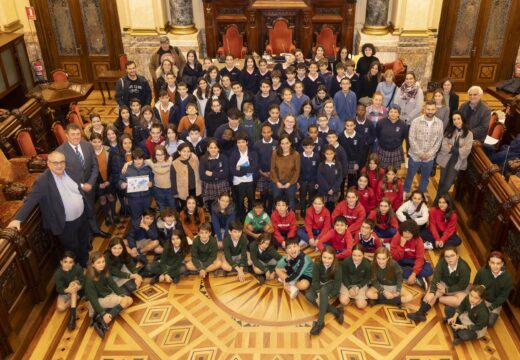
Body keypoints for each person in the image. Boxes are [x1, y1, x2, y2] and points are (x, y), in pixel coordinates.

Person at [8, 151, 91, 267]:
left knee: (83, 241)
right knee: (73, 248)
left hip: (81, 216)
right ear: (48, 164)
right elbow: (31, 199)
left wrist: (82, 186)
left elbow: (76, 185)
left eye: (62, 162)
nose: (59, 165)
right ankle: (78, 269)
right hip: (66, 223)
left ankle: (85, 260)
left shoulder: (70, 171)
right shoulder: (42, 181)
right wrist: (18, 219)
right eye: (55, 163)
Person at [57, 124, 109, 238]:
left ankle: (95, 229)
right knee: (81, 214)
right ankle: (87, 237)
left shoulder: (87, 145)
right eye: (72, 134)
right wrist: (81, 185)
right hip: (74, 190)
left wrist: (90, 183)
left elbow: (95, 166)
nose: (76, 137)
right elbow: (62, 175)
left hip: (90, 187)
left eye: (77, 134)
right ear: (66, 135)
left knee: (91, 209)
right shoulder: (60, 152)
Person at [407, 246, 470, 323]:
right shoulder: (442, 262)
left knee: (462, 301)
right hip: (443, 283)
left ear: (457, 256)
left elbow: (462, 285)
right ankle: (420, 313)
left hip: (458, 288)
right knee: (431, 293)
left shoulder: (464, 268)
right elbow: (436, 278)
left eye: (452, 255)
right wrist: (432, 292)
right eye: (447, 256)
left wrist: (446, 290)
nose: (450, 259)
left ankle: (439, 299)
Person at [85, 251, 133, 338]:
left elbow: (112, 284)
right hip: (98, 300)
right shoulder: (89, 280)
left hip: (107, 295)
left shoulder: (104, 270)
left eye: (103, 261)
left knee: (129, 300)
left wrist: (122, 294)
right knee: (124, 302)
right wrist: (103, 313)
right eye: (98, 262)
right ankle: (103, 319)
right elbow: (93, 300)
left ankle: (102, 317)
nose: (102, 264)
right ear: (92, 264)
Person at [403, 100, 444, 195]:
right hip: (415, 155)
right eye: (428, 109)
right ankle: (406, 191)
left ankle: (421, 194)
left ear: (435, 110)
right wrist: (420, 153)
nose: (430, 111)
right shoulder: (416, 121)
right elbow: (411, 138)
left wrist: (429, 154)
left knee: (425, 177)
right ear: (424, 109)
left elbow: (439, 141)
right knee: (410, 175)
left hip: (429, 158)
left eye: (432, 109)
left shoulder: (440, 123)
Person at [306, 246, 343, 335]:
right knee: (308, 295)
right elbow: (315, 281)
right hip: (318, 285)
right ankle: (336, 311)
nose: (326, 260)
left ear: (334, 258)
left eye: (330, 258)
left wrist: (326, 297)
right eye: (324, 257)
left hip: (330, 285)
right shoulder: (317, 263)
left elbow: (337, 288)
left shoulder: (337, 267)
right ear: (321, 256)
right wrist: (319, 295)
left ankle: (320, 322)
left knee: (323, 291)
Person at [435, 111, 474, 198]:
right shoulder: (450, 130)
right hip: (446, 158)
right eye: (454, 119)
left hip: (457, 161)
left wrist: (452, 148)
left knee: (448, 183)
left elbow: (467, 150)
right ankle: (438, 201)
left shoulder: (469, 134)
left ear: (462, 119)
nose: (456, 121)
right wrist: (459, 149)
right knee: (441, 181)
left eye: (458, 119)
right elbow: (444, 145)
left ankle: (437, 200)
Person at [473, 251, 513, 327]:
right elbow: (475, 286)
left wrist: (491, 307)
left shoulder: (508, 278)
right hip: (481, 299)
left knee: (490, 323)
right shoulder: (482, 271)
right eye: (493, 263)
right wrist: (477, 300)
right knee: (474, 312)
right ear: (489, 263)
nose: (495, 266)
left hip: (494, 303)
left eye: (498, 263)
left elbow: (503, 297)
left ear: (502, 264)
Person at [390, 220, 433, 290]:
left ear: (414, 233)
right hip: (401, 259)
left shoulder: (418, 240)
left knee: (429, 270)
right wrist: (401, 246)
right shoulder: (396, 237)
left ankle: (411, 274)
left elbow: (419, 258)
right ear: (402, 231)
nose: (407, 234)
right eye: (405, 232)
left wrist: (414, 274)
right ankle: (419, 279)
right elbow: (395, 257)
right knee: (392, 268)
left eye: (409, 233)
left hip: (413, 260)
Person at [119, 148, 153, 226]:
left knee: (147, 215)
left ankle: (147, 231)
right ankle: (137, 233)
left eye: (140, 159)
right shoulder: (127, 168)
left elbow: (152, 178)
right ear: (132, 160)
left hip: (146, 197)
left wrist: (151, 183)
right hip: (133, 198)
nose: (138, 161)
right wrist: (122, 184)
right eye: (136, 159)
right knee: (136, 217)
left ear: (143, 159)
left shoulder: (147, 168)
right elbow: (120, 180)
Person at [230, 132, 258, 219]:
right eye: (238, 142)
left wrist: (240, 168)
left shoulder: (253, 153)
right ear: (236, 144)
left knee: (251, 200)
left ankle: (250, 218)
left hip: (250, 181)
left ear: (247, 142)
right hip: (237, 182)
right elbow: (233, 171)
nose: (241, 144)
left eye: (243, 142)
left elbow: (254, 168)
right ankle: (240, 218)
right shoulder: (233, 154)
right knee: (239, 201)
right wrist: (246, 170)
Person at [54, 251, 85, 330]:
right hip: (64, 291)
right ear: (61, 262)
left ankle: (72, 316)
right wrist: (67, 290)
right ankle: (76, 298)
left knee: (73, 285)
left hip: (76, 288)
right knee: (60, 308)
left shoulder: (78, 268)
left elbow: (83, 280)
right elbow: (59, 289)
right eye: (65, 262)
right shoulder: (58, 273)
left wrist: (78, 286)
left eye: (70, 262)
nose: (68, 264)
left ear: (73, 263)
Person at [270, 134, 300, 209]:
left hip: (291, 182)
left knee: (291, 201)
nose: (285, 145)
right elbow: (272, 169)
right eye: (282, 143)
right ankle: (277, 219)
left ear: (290, 143)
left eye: (287, 143)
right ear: (279, 144)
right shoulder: (275, 153)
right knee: (276, 201)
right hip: (277, 182)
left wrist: (290, 183)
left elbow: (297, 171)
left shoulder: (296, 154)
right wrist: (277, 182)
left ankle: (290, 218)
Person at [376, 105, 407, 169]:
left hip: (396, 151)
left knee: (394, 170)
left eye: (396, 112)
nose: (393, 114)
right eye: (391, 111)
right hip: (383, 150)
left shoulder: (403, 125)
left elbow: (403, 137)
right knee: (381, 169)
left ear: (399, 114)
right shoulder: (381, 122)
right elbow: (378, 135)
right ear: (388, 113)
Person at [339, 244, 371, 309]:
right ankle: (351, 296)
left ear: (363, 255)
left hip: (360, 284)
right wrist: (349, 287)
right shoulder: (346, 262)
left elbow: (366, 278)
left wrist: (358, 287)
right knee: (343, 302)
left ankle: (356, 298)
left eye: (359, 256)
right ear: (351, 253)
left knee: (361, 306)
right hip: (347, 283)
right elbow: (343, 276)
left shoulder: (367, 264)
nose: (356, 258)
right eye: (354, 255)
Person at [171, 143, 202, 208]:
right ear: (179, 152)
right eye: (184, 151)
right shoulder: (174, 163)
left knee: (198, 206)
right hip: (183, 191)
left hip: (196, 189)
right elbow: (173, 180)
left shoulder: (194, 158)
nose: (186, 153)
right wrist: (175, 194)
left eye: (188, 151)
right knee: (185, 208)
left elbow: (199, 171)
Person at [317, 144, 343, 213]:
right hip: (324, 191)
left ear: (334, 153)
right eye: (327, 154)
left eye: (331, 153)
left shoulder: (338, 164)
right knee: (323, 208)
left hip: (334, 191)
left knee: (331, 207)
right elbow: (320, 178)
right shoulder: (321, 165)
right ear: (324, 154)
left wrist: (333, 189)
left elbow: (340, 178)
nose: (329, 155)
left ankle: (330, 221)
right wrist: (328, 189)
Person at [298, 137, 319, 216]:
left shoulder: (316, 157)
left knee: (312, 196)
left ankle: (310, 210)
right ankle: (303, 210)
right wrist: (298, 182)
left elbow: (318, 170)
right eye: (306, 147)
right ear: (303, 147)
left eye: (310, 147)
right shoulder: (299, 156)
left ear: (313, 147)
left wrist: (317, 182)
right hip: (302, 181)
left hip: (313, 181)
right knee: (302, 196)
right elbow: (297, 170)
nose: (308, 149)